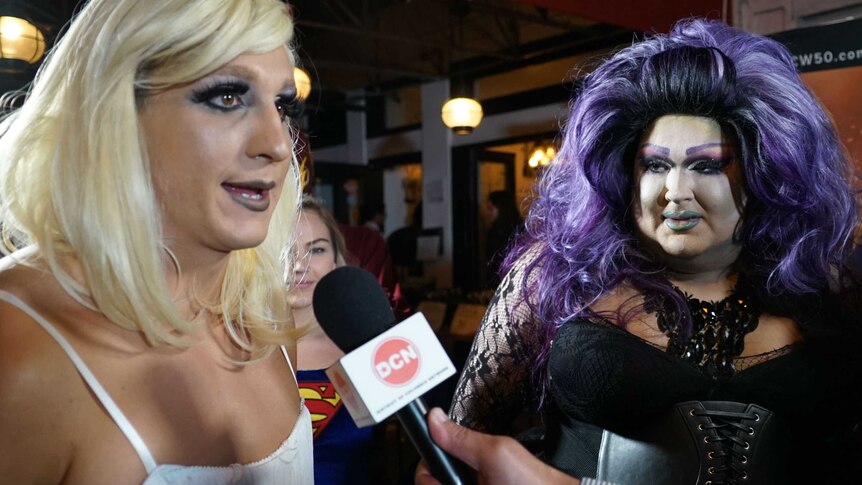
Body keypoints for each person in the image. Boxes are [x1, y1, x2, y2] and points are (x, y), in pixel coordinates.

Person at [449, 18, 862, 484]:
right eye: (656, 165)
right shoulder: (555, 276)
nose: (675, 191)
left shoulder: (822, 289)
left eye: (707, 165)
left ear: (763, 173)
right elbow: (458, 451)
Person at [0, 0, 313, 483]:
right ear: (115, 112)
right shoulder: (18, 340)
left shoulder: (259, 311)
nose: (276, 144)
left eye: (283, 106)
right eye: (227, 97)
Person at [290, 196, 373, 484]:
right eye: (284, 251)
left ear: (335, 259)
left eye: (316, 250)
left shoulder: (366, 346)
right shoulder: (234, 350)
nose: (300, 266)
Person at [483, 191, 523, 288]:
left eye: (490, 209)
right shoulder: (493, 232)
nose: (487, 213)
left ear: (502, 209)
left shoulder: (519, 232)